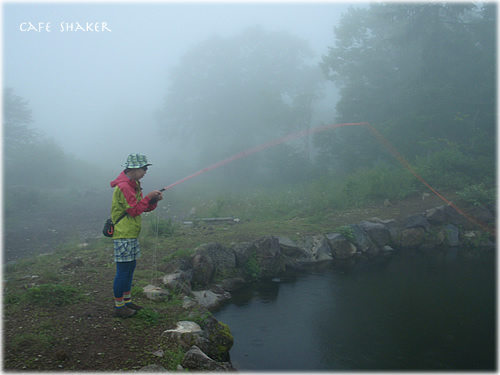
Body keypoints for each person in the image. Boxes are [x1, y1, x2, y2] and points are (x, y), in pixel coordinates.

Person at [109, 153, 163, 318]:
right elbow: (134, 210)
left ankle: (127, 301)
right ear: (134, 168)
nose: (145, 171)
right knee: (123, 271)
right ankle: (119, 307)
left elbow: (141, 207)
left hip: (130, 234)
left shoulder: (133, 184)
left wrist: (153, 201)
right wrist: (148, 197)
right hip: (123, 234)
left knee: (130, 269)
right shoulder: (125, 186)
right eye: (144, 168)